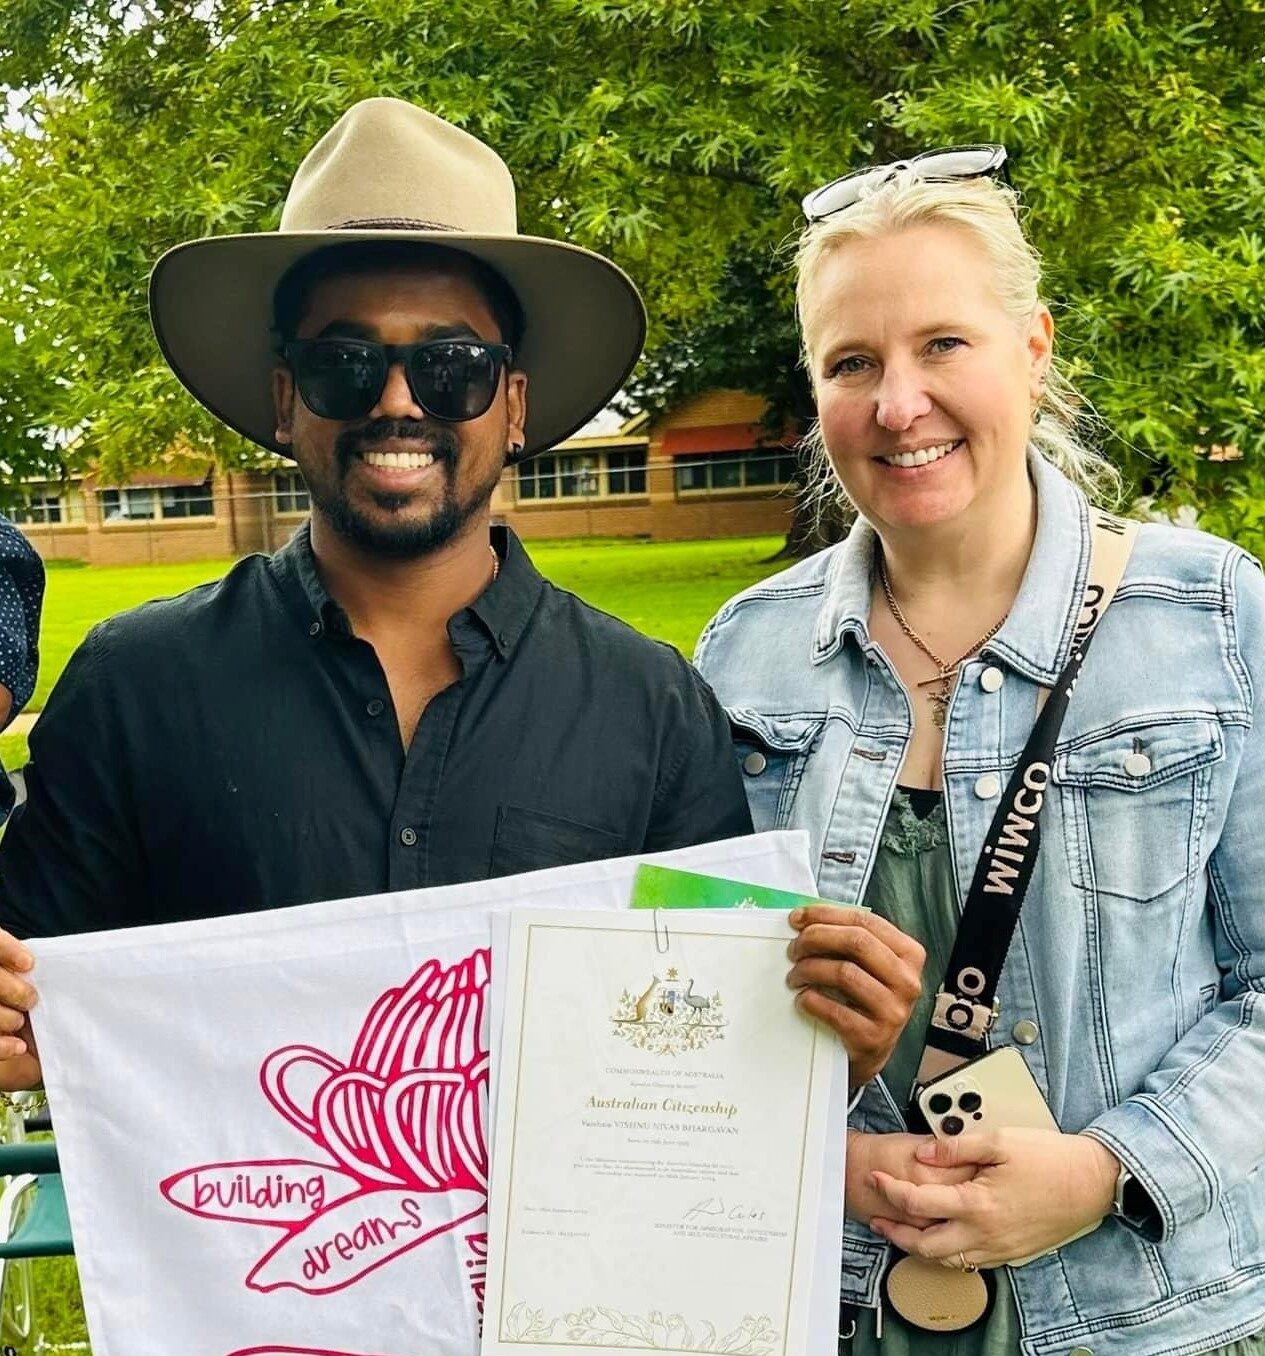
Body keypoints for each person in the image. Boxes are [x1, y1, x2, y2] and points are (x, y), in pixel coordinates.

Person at [0, 99, 919, 1104]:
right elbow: (46, 997)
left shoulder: (649, 709)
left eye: (451, 367)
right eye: (342, 364)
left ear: (513, 405)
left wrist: (822, 1044)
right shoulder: (136, 687)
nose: (397, 400)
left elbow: (705, 1059)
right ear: (282, 400)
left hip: (558, 1265)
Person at [696, 147, 1265, 1354]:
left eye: (941, 345)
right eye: (851, 363)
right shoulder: (744, 657)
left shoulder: (1208, 616)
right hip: (838, 1306)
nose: (897, 405)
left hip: (1136, 1311)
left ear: (1033, 348)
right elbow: (697, 998)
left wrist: (1107, 1169)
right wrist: (826, 1153)